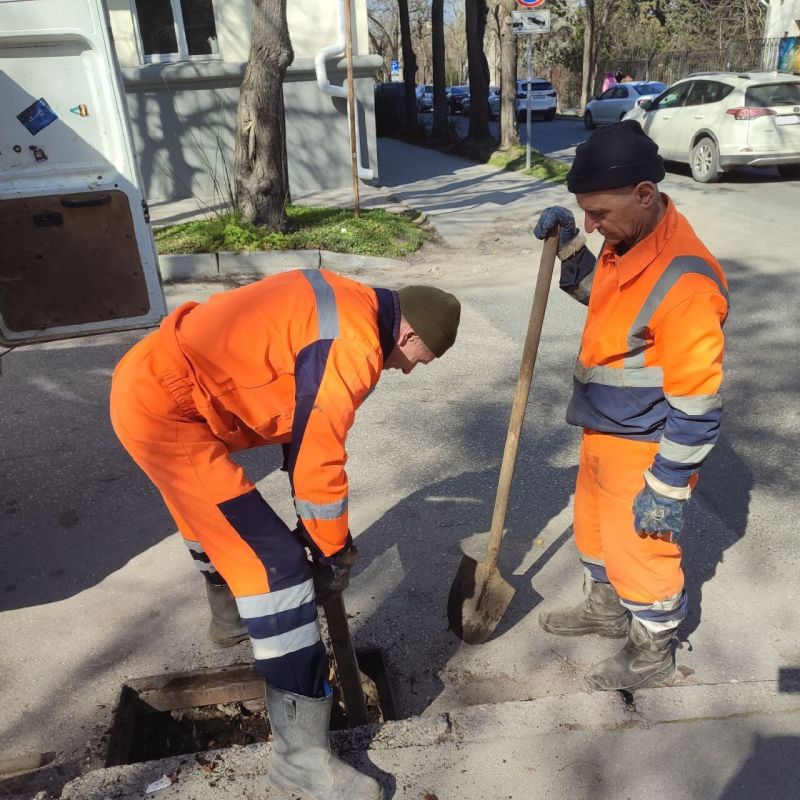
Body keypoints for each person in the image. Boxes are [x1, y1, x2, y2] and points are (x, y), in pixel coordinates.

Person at [110, 269, 461, 800]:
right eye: (419, 360)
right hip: (167, 411)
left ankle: (230, 618)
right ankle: (300, 759)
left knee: (216, 521)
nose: (409, 370)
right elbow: (320, 462)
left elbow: (304, 415)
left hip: (159, 383)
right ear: (409, 334)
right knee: (278, 570)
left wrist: (320, 535)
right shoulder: (357, 346)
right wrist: (331, 552)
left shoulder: (351, 303)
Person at [532, 120, 728, 692]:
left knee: (642, 552)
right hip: (602, 425)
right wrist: (572, 247)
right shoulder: (629, 243)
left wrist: (667, 487)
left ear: (645, 193)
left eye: (598, 214)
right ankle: (604, 609)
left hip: (643, 442)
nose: (594, 225)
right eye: (585, 214)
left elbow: (698, 405)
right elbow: (606, 301)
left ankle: (652, 651)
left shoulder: (686, 284)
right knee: (595, 532)